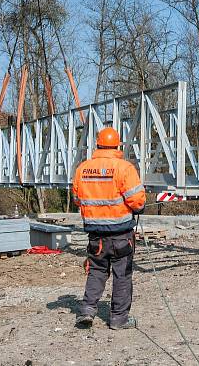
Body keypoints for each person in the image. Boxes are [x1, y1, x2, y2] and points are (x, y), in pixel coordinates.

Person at [72, 127, 146, 330]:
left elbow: (77, 199)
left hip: (96, 235)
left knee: (96, 271)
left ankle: (87, 311)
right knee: (122, 275)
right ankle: (118, 319)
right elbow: (137, 201)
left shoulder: (83, 168)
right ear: (117, 145)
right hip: (121, 234)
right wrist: (137, 207)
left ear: (97, 144)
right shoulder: (124, 168)